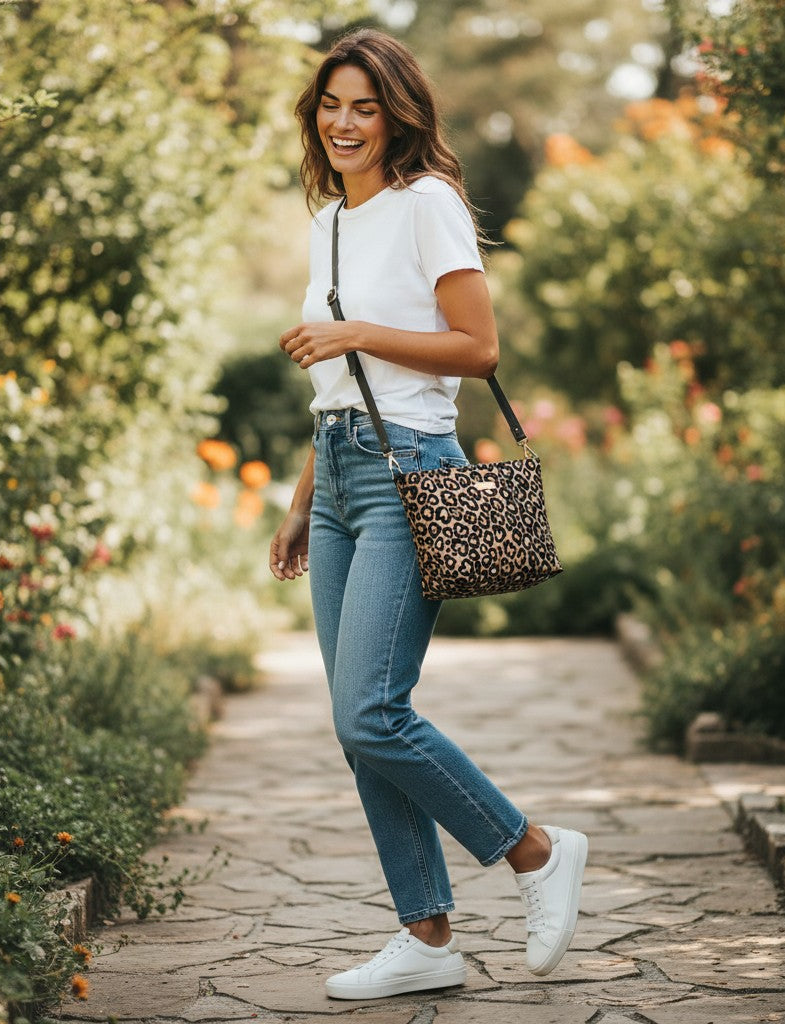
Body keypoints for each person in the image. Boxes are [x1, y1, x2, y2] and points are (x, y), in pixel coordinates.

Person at [269, 27, 587, 1001]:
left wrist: (356, 331)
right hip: (339, 472)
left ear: (397, 114)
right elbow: (339, 386)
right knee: (356, 721)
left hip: (408, 469)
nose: (345, 123)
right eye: (331, 105)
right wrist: (302, 500)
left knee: (372, 711)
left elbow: (478, 348)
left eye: (364, 107)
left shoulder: (428, 203)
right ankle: (427, 936)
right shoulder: (330, 219)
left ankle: (534, 850)